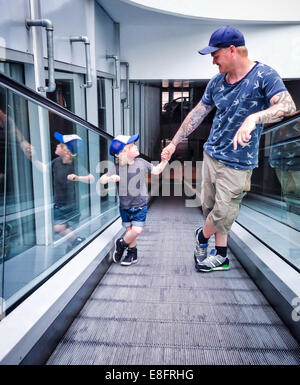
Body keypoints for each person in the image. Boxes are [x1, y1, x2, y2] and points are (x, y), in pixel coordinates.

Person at [162, 25, 296, 272]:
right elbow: (197, 114)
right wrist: (173, 143)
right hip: (212, 154)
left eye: (215, 55)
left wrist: (254, 118)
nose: (213, 61)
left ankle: (201, 238)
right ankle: (221, 255)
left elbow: (288, 106)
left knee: (224, 212)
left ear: (232, 50)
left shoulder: (265, 76)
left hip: (238, 162)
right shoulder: (217, 82)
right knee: (211, 209)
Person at [100, 133, 168, 266]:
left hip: (140, 205)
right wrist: (110, 178)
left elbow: (156, 170)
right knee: (129, 231)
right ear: (123, 151)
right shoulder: (117, 167)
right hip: (125, 206)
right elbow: (102, 179)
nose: (136, 147)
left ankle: (121, 244)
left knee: (137, 231)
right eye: (132, 146)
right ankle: (132, 254)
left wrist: (165, 161)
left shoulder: (141, 162)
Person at [24, 131, 95, 251]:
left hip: (72, 205)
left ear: (66, 151)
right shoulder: (56, 162)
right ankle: (77, 241)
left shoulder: (76, 165)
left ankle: (72, 250)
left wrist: (77, 177)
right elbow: (44, 169)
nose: (56, 146)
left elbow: (91, 179)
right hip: (59, 205)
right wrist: (34, 158)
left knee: (69, 233)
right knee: (58, 228)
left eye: (59, 144)